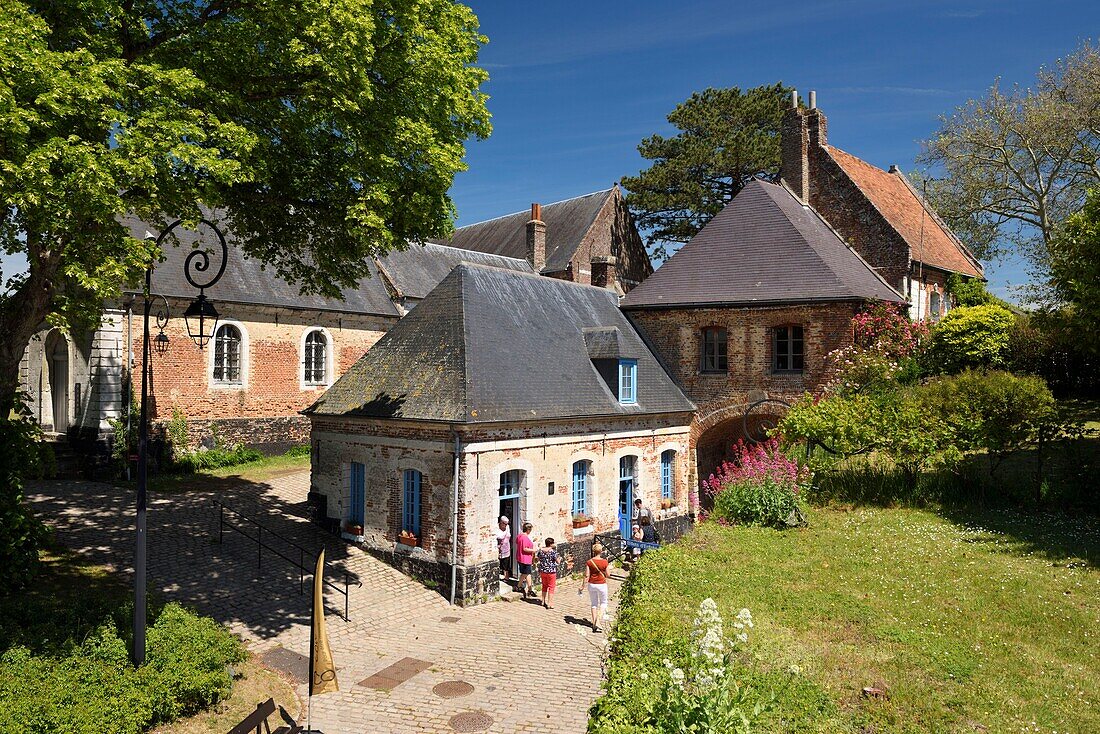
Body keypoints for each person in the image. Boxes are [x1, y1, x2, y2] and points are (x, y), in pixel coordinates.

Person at [579, 542, 610, 632]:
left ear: (593, 551)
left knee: (594, 604)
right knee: (604, 603)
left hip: (592, 584)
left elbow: (586, 575)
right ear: (601, 551)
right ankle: (598, 621)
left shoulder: (589, 562)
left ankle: (594, 622)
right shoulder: (604, 562)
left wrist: (582, 586)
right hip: (602, 584)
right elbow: (608, 574)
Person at [535, 537, 559, 609]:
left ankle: (543, 601)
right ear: (551, 544)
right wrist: (559, 559)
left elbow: (538, 559)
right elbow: (557, 561)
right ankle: (549, 603)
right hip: (551, 571)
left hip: (543, 571)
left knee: (544, 586)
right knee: (551, 587)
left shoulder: (541, 551)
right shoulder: (553, 552)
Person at [515, 522, 537, 598]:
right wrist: (533, 550)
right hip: (525, 558)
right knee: (527, 573)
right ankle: (529, 590)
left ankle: (519, 587)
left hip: (520, 557)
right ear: (528, 530)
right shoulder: (524, 537)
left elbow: (518, 543)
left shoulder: (519, 536)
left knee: (525, 573)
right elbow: (524, 548)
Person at [495, 516, 511, 581]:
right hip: (498, 549)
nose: (506, 525)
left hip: (507, 548)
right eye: (505, 523)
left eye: (507, 524)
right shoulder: (496, 528)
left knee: (506, 563)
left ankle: (506, 577)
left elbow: (509, 535)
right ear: (501, 522)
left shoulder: (507, 527)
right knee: (499, 563)